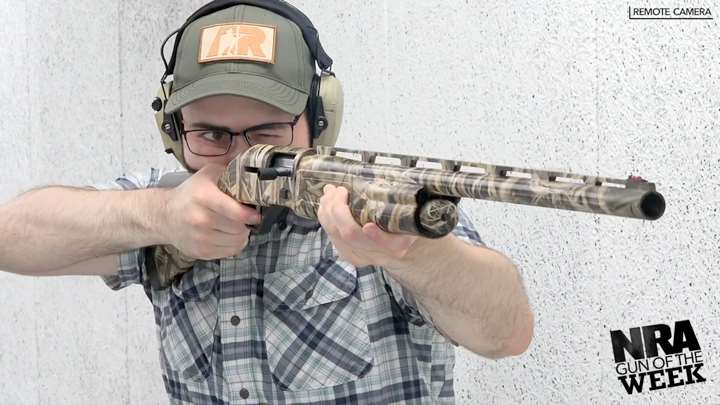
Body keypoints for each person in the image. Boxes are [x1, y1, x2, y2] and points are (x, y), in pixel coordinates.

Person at [0, 1, 533, 404]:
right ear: (172, 130)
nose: (239, 157)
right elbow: (12, 237)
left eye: (267, 130)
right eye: (210, 134)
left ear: (317, 122)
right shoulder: (169, 204)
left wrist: (409, 254)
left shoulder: (372, 201)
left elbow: (508, 333)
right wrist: (159, 215)